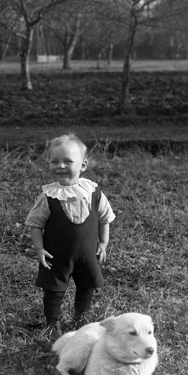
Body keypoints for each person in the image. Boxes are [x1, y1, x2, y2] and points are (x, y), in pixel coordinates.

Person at [25, 134, 115, 339]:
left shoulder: (93, 192)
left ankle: (81, 319)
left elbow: (104, 218)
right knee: (54, 289)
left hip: (88, 253)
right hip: (57, 255)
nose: (61, 166)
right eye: (54, 161)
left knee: (87, 284)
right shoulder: (49, 196)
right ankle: (52, 324)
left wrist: (103, 242)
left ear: (83, 165)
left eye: (68, 161)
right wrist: (39, 248)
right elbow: (36, 224)